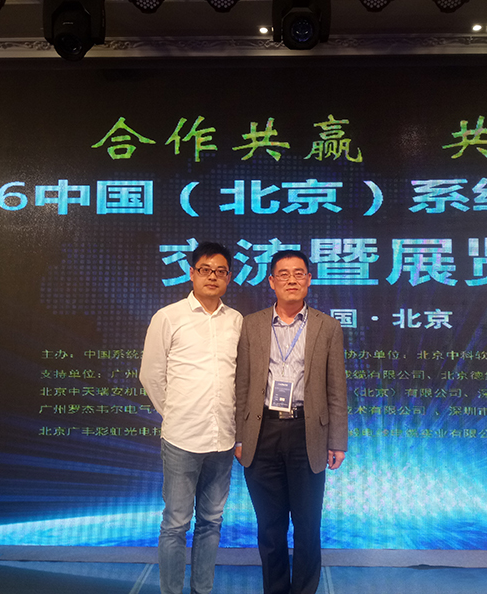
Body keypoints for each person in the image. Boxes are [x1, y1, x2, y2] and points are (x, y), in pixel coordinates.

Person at [234, 250, 348, 594]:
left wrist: (337, 440)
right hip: (262, 431)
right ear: (271, 281)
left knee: (307, 525)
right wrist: (239, 436)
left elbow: (336, 387)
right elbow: (241, 385)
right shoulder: (251, 324)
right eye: (283, 274)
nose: (292, 280)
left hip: (307, 432)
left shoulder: (327, 326)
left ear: (309, 279)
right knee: (270, 526)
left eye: (299, 273)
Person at [139, 242, 243, 594]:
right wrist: (176, 413)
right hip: (182, 438)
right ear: (191, 273)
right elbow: (151, 375)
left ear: (229, 277)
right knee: (175, 524)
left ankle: (202, 590)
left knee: (211, 522)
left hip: (222, 439)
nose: (213, 276)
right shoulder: (168, 317)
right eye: (205, 269)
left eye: (220, 271)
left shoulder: (236, 321)